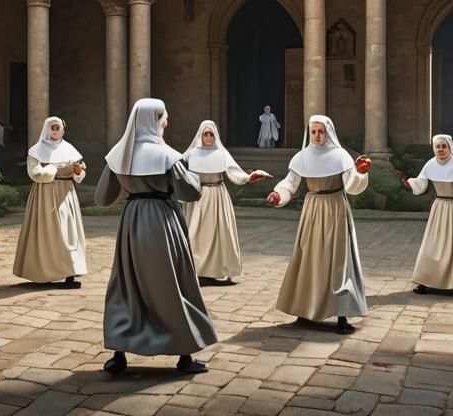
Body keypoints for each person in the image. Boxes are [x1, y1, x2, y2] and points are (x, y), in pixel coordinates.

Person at [95, 97, 218, 374]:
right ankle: (185, 355)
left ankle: (119, 354)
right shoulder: (167, 155)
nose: (166, 122)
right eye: (164, 117)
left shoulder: (119, 153)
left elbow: (103, 198)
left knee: (127, 285)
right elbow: (191, 192)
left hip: (132, 221)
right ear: (156, 120)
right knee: (172, 284)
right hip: (162, 221)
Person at [266, 115, 371, 334]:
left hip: (335, 208)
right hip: (312, 210)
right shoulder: (302, 157)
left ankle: (342, 315)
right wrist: (278, 195)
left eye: (321, 132)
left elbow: (351, 187)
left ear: (329, 132)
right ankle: (304, 309)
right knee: (309, 259)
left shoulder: (341, 156)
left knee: (338, 260)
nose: (317, 136)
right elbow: (290, 183)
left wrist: (360, 173)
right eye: (313, 132)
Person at [182, 119, 268, 285]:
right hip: (198, 198)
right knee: (197, 234)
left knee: (220, 233)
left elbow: (235, 172)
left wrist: (250, 177)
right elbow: (180, 172)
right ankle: (197, 270)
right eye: (205, 134)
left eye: (211, 134)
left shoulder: (222, 154)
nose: (208, 137)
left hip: (218, 197)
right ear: (200, 135)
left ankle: (220, 271)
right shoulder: (191, 154)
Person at [399, 134, 453, 295]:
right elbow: (421, 183)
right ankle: (425, 281)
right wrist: (408, 183)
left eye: (444, 146)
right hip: (439, 208)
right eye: (438, 146)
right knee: (432, 245)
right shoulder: (430, 164)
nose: (440, 149)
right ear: (434, 148)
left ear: (449, 147)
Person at [13, 116, 87, 288]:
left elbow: (80, 175)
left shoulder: (70, 150)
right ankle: (44, 273)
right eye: (52, 128)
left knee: (67, 233)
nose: (55, 131)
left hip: (66, 195)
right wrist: (55, 168)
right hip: (44, 196)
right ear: (47, 130)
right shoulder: (36, 150)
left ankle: (69, 274)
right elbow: (35, 173)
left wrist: (77, 171)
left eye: (58, 128)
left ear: (63, 130)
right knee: (45, 233)